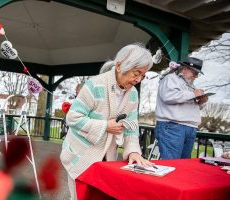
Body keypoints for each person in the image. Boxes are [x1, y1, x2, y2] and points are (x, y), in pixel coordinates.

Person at [60, 43, 154, 199]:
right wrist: (105, 126)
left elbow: (131, 126)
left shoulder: (133, 95)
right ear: (119, 66)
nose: (138, 79)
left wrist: (134, 151)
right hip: (81, 154)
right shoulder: (94, 85)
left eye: (143, 75)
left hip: (107, 157)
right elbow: (72, 117)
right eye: (136, 73)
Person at [155, 57, 208, 160]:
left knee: (183, 165)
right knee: (172, 163)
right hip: (173, 126)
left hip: (189, 127)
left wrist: (200, 102)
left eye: (198, 73)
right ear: (185, 69)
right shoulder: (170, 79)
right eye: (195, 72)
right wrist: (193, 94)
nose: (196, 76)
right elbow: (168, 96)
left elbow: (185, 104)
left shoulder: (191, 86)